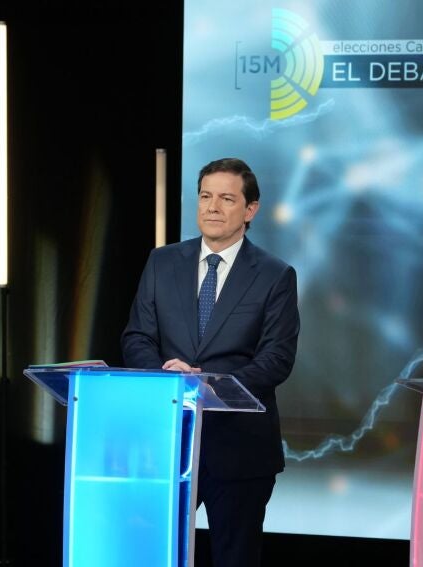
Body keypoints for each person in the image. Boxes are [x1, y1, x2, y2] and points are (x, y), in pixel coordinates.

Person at [122, 157, 300, 566]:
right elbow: (136, 337)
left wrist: (212, 385)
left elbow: (277, 358)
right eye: (205, 196)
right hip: (168, 441)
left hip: (239, 449)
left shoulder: (275, 275)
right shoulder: (162, 262)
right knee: (153, 553)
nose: (212, 207)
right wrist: (167, 374)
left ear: (250, 210)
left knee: (234, 558)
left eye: (226, 198)